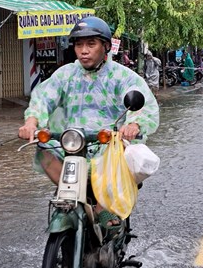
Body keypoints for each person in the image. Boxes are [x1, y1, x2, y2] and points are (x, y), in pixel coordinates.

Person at [18, 16, 160, 228]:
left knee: (122, 152)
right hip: (74, 144)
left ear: (105, 47)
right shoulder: (65, 74)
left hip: (108, 145)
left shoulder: (122, 76)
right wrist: (31, 122)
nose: (84, 50)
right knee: (43, 148)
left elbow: (143, 104)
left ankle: (103, 208)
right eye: (79, 44)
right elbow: (43, 98)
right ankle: (75, 195)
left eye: (91, 44)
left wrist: (133, 125)